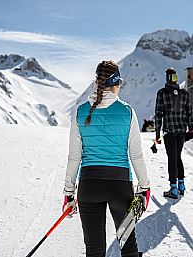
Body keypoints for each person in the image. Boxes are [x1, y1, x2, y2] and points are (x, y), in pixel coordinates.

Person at [62, 60, 150, 257]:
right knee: (128, 247)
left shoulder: (81, 111)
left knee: (94, 250)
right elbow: (135, 154)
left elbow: (74, 157)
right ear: (116, 84)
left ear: (97, 83)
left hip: (89, 186)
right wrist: (144, 187)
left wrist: (69, 194)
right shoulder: (127, 112)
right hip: (120, 187)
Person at [154, 67, 193, 199]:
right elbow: (189, 112)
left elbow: (158, 114)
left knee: (172, 158)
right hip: (181, 130)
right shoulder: (185, 93)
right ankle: (181, 185)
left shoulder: (162, 93)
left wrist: (157, 134)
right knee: (178, 156)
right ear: (176, 78)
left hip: (169, 131)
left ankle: (173, 189)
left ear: (167, 78)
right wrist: (191, 126)